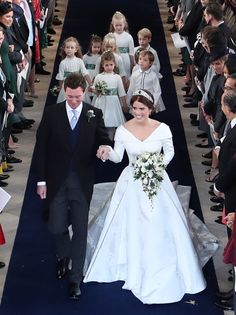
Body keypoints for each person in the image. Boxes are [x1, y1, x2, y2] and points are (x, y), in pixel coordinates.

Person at [84, 89, 206, 304]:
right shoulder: (123, 129)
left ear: (151, 108)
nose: (137, 112)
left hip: (157, 179)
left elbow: (169, 152)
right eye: (134, 108)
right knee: (129, 222)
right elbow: (118, 156)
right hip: (131, 181)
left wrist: (156, 166)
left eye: (142, 108)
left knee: (160, 221)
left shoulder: (163, 129)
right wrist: (105, 150)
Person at [35, 72, 112, 299]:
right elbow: (41, 149)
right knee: (56, 225)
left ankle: (75, 279)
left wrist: (105, 149)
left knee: (80, 230)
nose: (74, 101)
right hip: (56, 180)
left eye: (78, 97)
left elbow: (104, 139)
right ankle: (63, 254)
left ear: (85, 92)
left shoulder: (94, 114)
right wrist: (41, 181)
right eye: (70, 97)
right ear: (64, 92)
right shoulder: (51, 113)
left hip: (82, 181)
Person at [92, 50, 128, 140]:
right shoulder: (99, 76)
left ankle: (110, 143)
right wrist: (97, 91)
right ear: (102, 65)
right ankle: (102, 142)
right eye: (106, 65)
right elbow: (93, 89)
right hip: (102, 102)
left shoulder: (117, 77)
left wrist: (124, 105)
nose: (109, 67)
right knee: (102, 122)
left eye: (111, 65)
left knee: (112, 124)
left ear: (114, 64)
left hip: (113, 103)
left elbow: (121, 92)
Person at [55, 36, 92, 103]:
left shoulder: (79, 61)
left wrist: (91, 84)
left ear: (76, 49)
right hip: (67, 85)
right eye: (67, 47)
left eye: (72, 48)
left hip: (78, 84)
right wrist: (61, 88)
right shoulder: (63, 63)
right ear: (64, 49)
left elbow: (85, 73)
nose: (69, 49)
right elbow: (61, 77)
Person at [109, 11, 134, 81]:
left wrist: (132, 65)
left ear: (124, 24)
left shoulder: (128, 37)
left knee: (126, 79)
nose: (118, 27)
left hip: (126, 61)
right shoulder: (111, 36)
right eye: (116, 25)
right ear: (112, 24)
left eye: (120, 25)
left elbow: (131, 53)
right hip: (114, 61)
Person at [83, 34, 102, 104]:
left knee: (94, 92)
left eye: (98, 47)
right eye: (94, 47)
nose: (96, 49)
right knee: (87, 92)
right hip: (87, 76)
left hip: (96, 76)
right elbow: (82, 68)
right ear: (91, 46)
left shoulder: (101, 57)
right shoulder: (85, 57)